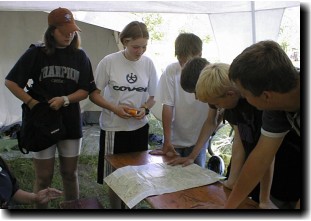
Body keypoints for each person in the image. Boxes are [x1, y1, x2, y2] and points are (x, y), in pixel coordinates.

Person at [5, 8, 96, 208]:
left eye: (72, 31)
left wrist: (65, 99)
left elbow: (85, 89)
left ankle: (72, 210)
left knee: (70, 174)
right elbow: (11, 82)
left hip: (70, 121)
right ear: (52, 31)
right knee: (44, 176)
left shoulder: (80, 56)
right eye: (64, 31)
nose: (69, 35)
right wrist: (31, 102)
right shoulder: (36, 53)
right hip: (42, 122)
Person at [223, 40, 300, 209]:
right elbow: (261, 157)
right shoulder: (277, 103)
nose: (245, 100)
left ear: (266, 96)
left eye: (245, 94)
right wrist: (229, 207)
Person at [89, 21, 158, 208]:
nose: (140, 51)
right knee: (114, 175)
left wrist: (144, 108)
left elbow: (153, 96)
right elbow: (94, 94)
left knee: (135, 173)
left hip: (138, 127)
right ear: (125, 42)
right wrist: (114, 108)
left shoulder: (148, 63)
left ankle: (130, 207)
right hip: (114, 128)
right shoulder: (109, 62)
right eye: (136, 46)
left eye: (144, 46)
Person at [149, 33, 211, 168]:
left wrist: (193, 154)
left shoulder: (210, 74)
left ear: (199, 54)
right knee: (170, 172)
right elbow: (168, 105)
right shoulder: (171, 70)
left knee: (195, 171)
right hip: (175, 136)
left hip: (198, 136)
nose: (183, 66)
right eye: (180, 60)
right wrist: (167, 140)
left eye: (187, 62)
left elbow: (212, 120)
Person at [167, 57, 222, 168]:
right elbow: (211, 121)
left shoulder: (222, 88)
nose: (196, 98)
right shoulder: (213, 97)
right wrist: (192, 157)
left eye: (197, 92)